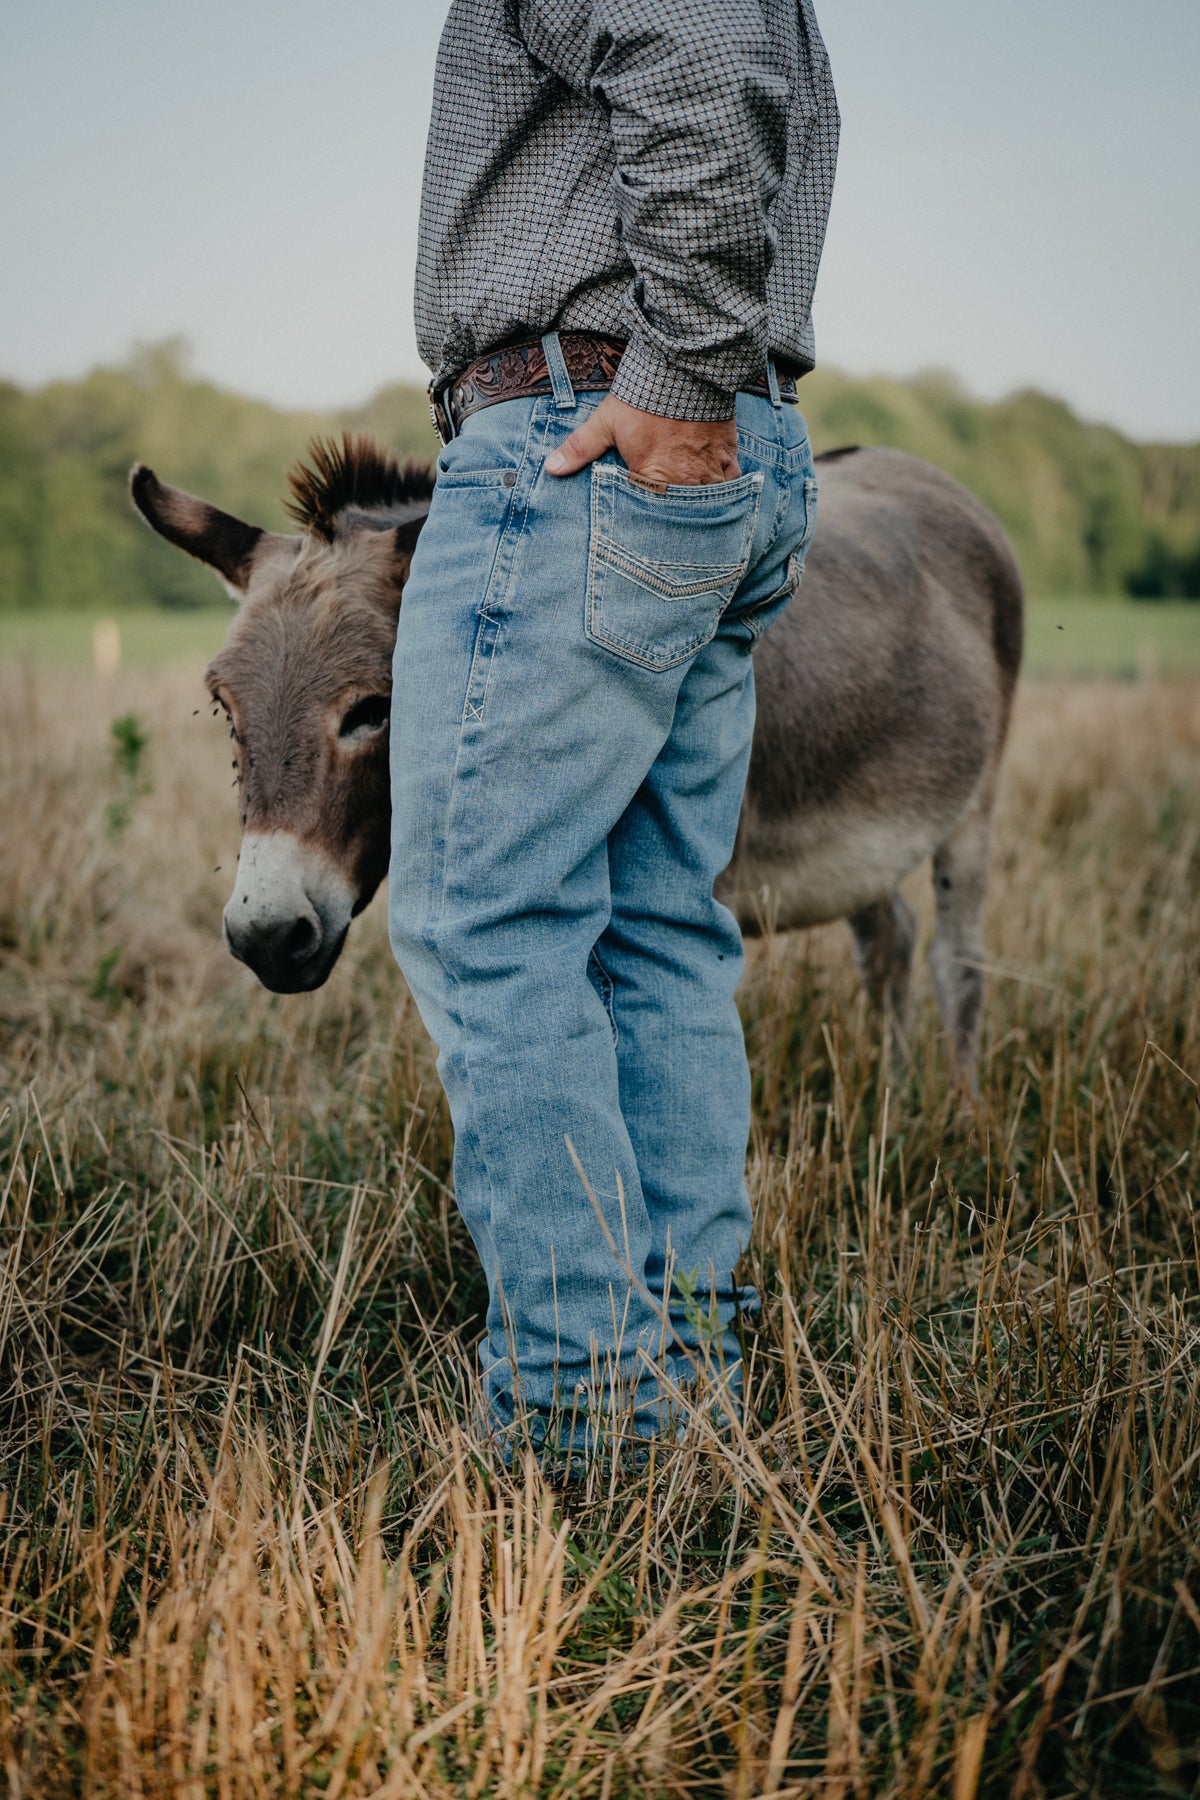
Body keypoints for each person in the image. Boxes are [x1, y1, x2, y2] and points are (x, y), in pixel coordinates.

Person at [389, 0, 838, 1464]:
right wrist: (703, 391)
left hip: (591, 433)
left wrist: (677, 382)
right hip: (712, 438)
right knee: (657, 930)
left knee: (486, 921)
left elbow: (698, 64)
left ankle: (582, 1421)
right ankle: (687, 1381)